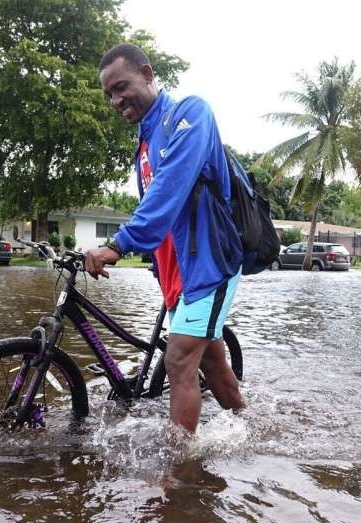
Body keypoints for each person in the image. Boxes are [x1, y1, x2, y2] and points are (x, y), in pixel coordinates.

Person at [84, 43, 245, 434]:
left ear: (147, 73)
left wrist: (118, 243)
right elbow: (159, 213)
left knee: (177, 361)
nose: (116, 99)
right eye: (109, 94)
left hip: (208, 265)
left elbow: (168, 190)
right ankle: (248, 421)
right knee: (210, 360)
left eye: (121, 86)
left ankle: (179, 474)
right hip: (176, 274)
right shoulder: (144, 140)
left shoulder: (190, 114)